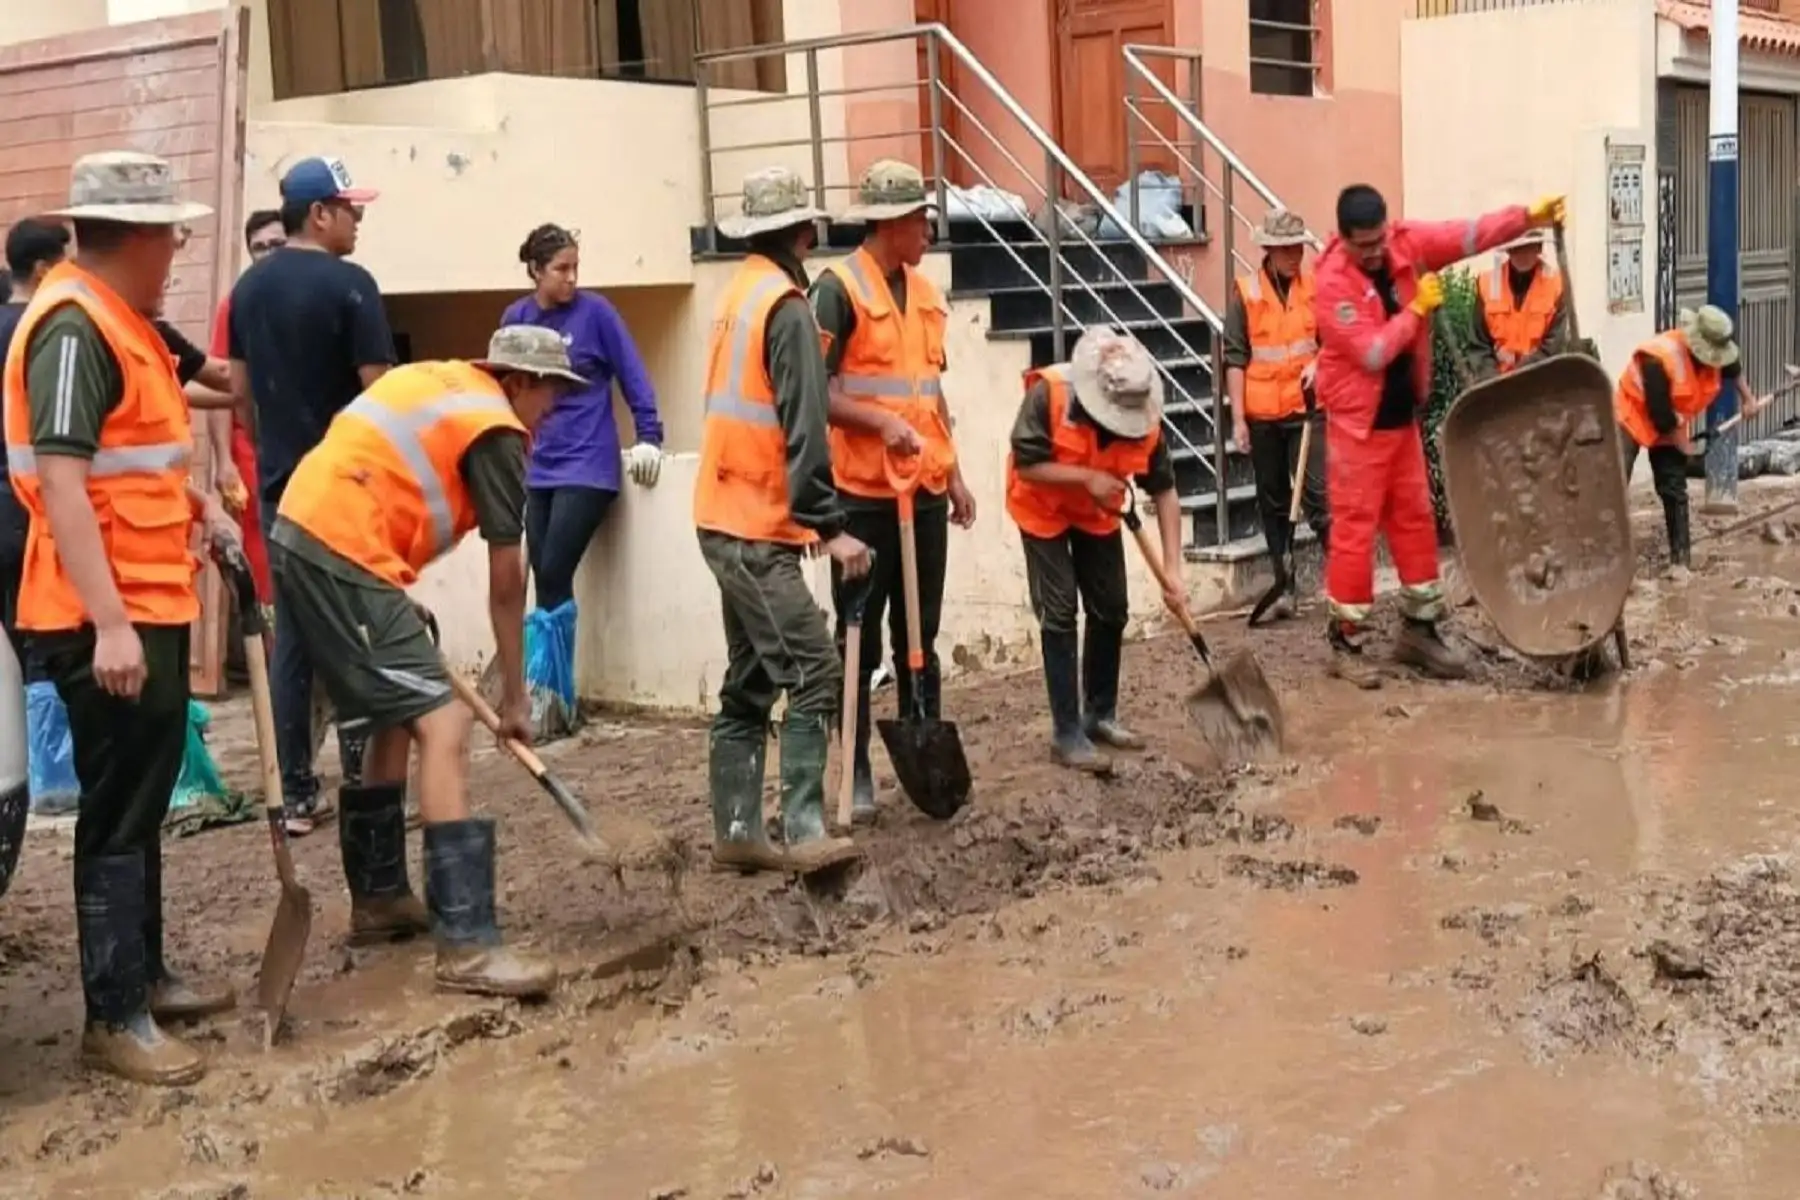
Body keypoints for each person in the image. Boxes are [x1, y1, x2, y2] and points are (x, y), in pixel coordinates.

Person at [1, 151, 242, 1086]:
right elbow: (61, 480)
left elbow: (135, 460)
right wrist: (107, 625)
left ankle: (145, 977)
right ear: (137, 236)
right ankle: (114, 1016)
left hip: (146, 598)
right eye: (172, 232)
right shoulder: (73, 328)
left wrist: (204, 511)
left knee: (139, 801)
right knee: (115, 812)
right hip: (100, 612)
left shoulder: (116, 318)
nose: (179, 248)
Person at [268, 325, 573, 999]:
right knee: (443, 722)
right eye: (550, 391)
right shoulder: (495, 429)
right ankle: (467, 945)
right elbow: (505, 581)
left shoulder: (446, 383)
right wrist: (516, 699)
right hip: (339, 547)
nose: (551, 409)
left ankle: (380, 899)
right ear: (519, 380)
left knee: (396, 711)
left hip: (313, 533)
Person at [1312, 184, 1562, 688]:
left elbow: (1466, 235)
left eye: (1380, 238)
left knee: (1415, 522)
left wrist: (1524, 217)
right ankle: (1345, 642)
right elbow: (1373, 352)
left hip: (1401, 419)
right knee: (1355, 535)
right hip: (1357, 425)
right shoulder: (1331, 284)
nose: (1377, 250)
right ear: (1346, 239)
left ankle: (1419, 629)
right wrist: (1417, 312)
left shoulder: (1403, 242)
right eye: (1366, 244)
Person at [696, 166, 871, 874]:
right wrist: (829, 528)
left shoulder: (737, 293)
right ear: (806, 230)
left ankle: (738, 830)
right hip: (754, 524)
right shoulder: (788, 308)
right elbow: (804, 428)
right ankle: (802, 828)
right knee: (815, 670)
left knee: (751, 678)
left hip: (722, 512)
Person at [229, 156, 394, 834]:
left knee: (293, 637)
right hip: (345, 487)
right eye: (351, 208)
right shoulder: (351, 285)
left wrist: (274, 450)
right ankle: (364, 777)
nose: (359, 218)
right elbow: (382, 393)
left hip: (279, 489)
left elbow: (240, 397)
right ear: (320, 213)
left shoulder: (248, 291)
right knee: (359, 624)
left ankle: (295, 791)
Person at [811, 159, 975, 823]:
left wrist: (955, 474)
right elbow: (816, 392)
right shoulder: (837, 290)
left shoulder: (927, 293)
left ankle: (922, 755)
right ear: (889, 224)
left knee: (920, 633)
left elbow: (931, 396)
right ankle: (852, 769)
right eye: (919, 219)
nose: (929, 230)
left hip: (924, 489)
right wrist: (880, 424)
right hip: (860, 496)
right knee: (859, 639)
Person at [1007, 329, 1183, 773]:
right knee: (1061, 610)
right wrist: (1085, 479)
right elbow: (1027, 464)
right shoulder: (1049, 395)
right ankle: (1067, 734)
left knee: (1110, 608)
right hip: (1042, 507)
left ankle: (1100, 714)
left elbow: (1165, 493)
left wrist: (1174, 571)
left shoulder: (1146, 421)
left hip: (1097, 513)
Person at [501, 223, 664, 612]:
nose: (572, 278)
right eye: (561, 269)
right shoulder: (516, 318)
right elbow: (504, 389)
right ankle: (545, 670)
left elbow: (633, 373)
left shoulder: (597, 314)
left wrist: (649, 437)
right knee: (543, 575)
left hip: (587, 464)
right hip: (537, 466)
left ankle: (552, 672)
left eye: (576, 267)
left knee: (555, 570)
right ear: (536, 271)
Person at [1223, 209, 1327, 623]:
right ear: (1268, 249)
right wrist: (1238, 420)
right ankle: (1286, 583)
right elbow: (1234, 358)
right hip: (1263, 414)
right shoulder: (1246, 295)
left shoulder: (1314, 289)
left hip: (1307, 410)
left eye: (1297, 246)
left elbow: (1332, 341)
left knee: (1320, 494)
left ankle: (1345, 585)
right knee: (1274, 502)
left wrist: (1321, 361)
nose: (1293, 255)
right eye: (1285, 248)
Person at [1615, 306, 1769, 573]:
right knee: (1615, 483)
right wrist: (1686, 449)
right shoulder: (1659, 359)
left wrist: (1748, 399)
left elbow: (1733, 367)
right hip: (1633, 413)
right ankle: (1607, 559)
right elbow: (1661, 415)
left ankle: (1680, 563)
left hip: (1672, 417)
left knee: (1673, 487)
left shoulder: (1720, 354)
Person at [208, 209, 285, 607]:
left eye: (277, 244)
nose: (268, 254)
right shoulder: (236, 305)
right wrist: (224, 460)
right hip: (252, 451)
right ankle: (276, 667)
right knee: (263, 568)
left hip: (314, 450)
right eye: (259, 248)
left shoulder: (317, 292)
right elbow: (222, 385)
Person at [1472, 229, 1568, 376]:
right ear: (1508, 250)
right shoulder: (1487, 284)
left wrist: (1519, 378)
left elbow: (1553, 349)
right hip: (1495, 385)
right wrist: (1491, 380)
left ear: (1539, 247)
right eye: (1517, 248)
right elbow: (1479, 346)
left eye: (1529, 247)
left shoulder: (1556, 285)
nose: (1523, 254)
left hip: (1540, 383)